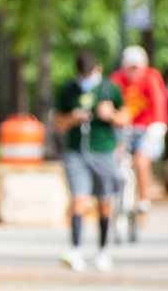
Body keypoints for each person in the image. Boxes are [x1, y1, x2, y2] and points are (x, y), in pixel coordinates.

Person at [54, 53, 130, 272]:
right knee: (78, 200)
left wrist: (111, 115)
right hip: (76, 152)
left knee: (104, 202)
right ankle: (76, 248)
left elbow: (126, 117)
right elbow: (57, 123)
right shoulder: (68, 90)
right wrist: (72, 119)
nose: (86, 78)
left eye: (89, 73)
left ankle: (103, 250)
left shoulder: (110, 89)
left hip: (104, 151)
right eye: (82, 74)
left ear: (98, 68)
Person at [108, 46, 168, 212]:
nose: (134, 71)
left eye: (137, 67)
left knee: (141, 161)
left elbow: (159, 104)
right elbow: (109, 103)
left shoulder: (151, 78)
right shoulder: (116, 80)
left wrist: (158, 125)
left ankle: (143, 200)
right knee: (114, 159)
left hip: (147, 129)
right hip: (124, 129)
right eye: (130, 66)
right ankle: (112, 197)